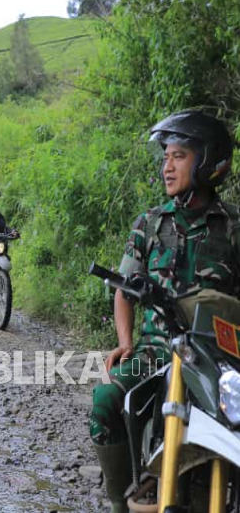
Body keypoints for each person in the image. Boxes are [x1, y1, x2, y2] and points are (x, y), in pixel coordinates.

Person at [90, 109, 240, 513]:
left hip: (218, 359)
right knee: (105, 400)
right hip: (156, 352)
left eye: (178, 156)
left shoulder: (234, 227)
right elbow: (124, 289)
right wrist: (125, 341)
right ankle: (121, 502)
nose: (167, 166)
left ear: (207, 161)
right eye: (165, 157)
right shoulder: (150, 224)